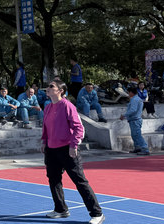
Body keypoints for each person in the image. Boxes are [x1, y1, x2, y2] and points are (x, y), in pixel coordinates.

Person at [41, 80, 105, 224]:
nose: (48, 88)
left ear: (60, 91)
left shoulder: (67, 106)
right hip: (51, 150)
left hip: (67, 149)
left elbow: (78, 127)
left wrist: (73, 145)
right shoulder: (48, 107)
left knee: (80, 181)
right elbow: (46, 127)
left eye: (51, 86)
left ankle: (97, 213)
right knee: (54, 180)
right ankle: (60, 209)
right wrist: (44, 142)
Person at [120, 87, 150, 155]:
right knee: (134, 135)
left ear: (131, 92)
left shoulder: (134, 100)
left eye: (128, 92)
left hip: (135, 120)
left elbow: (133, 110)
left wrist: (124, 115)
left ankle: (145, 149)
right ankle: (137, 147)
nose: (128, 94)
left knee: (137, 135)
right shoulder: (136, 99)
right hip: (135, 119)